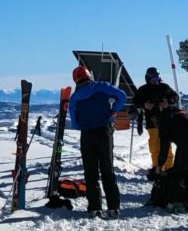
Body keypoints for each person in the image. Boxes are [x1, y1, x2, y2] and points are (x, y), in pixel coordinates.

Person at [67, 65, 126, 218]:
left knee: (90, 171)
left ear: (75, 80)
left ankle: (95, 207)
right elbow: (122, 96)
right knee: (107, 169)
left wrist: (86, 123)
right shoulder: (102, 86)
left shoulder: (75, 98)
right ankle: (113, 207)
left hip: (87, 134)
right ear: (89, 75)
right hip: (104, 132)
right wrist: (113, 111)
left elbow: (75, 123)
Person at [131, 67, 178, 176]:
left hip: (166, 121)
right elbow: (135, 101)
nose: (156, 82)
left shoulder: (164, 87)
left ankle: (169, 169)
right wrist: (144, 105)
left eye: (157, 79)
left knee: (167, 146)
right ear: (148, 79)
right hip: (152, 122)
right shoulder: (143, 90)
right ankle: (157, 168)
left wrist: (169, 102)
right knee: (154, 146)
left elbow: (175, 97)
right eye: (153, 79)